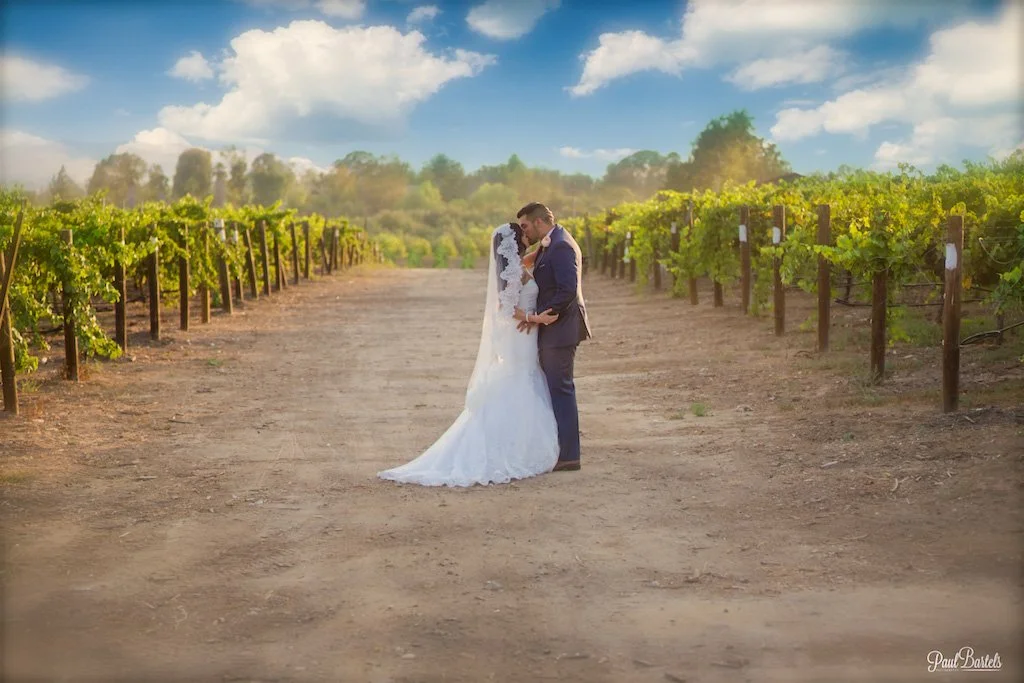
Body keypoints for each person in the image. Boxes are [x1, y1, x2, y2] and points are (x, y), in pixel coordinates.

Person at [377, 222, 561, 487]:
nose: (527, 234)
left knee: (521, 378)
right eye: (522, 233)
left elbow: (527, 265)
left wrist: (545, 247)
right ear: (512, 242)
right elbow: (506, 307)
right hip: (521, 334)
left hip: (524, 334)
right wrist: (535, 318)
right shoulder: (512, 271)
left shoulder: (516, 266)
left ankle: (518, 440)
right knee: (520, 377)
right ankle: (512, 444)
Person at [513, 202, 592, 472]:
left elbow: (567, 290)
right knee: (556, 389)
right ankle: (561, 450)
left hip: (560, 329)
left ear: (538, 222)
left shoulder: (561, 246)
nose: (523, 231)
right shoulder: (551, 243)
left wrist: (541, 316)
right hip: (555, 328)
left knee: (561, 389)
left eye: (525, 225)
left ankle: (569, 456)